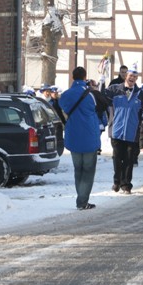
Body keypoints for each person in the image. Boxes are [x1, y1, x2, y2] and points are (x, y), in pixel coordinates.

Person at [60, 67, 109, 210]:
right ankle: (82, 201)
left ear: (72, 77)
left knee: (78, 170)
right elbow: (102, 108)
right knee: (88, 170)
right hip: (89, 136)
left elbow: (63, 108)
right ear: (84, 77)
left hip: (73, 136)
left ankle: (80, 198)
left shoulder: (65, 95)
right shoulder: (91, 94)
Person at [104, 64, 143, 194]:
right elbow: (102, 97)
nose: (132, 78)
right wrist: (101, 82)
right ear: (126, 76)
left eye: (135, 76)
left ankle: (126, 185)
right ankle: (116, 181)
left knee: (129, 160)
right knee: (117, 158)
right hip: (116, 131)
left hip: (132, 133)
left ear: (137, 79)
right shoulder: (115, 90)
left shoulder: (140, 94)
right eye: (131, 75)